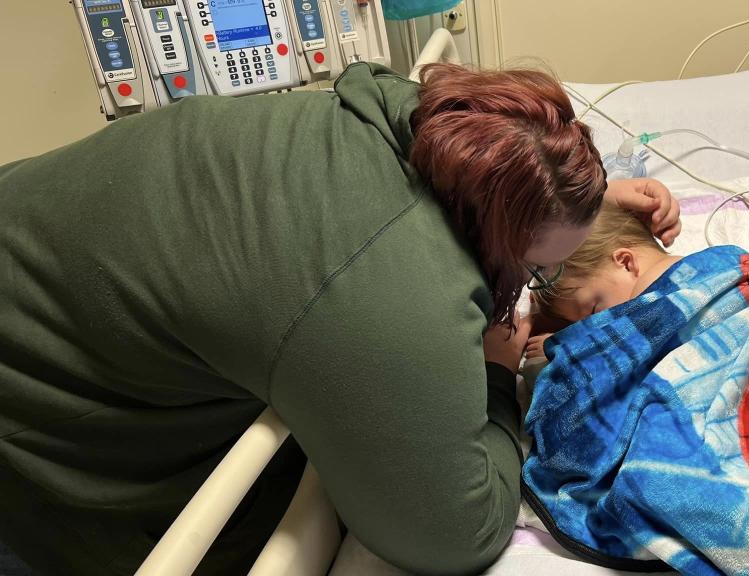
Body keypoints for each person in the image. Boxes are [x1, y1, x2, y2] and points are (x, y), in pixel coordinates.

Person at [0, 62, 680, 575]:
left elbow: (495, 150)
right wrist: (499, 376)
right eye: (537, 273)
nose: (537, 289)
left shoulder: (395, 113)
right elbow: (453, 536)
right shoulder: (394, 291)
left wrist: (575, 196)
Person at [527, 203, 683, 361]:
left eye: (594, 311)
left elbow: (619, 352)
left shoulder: (654, 300)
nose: (594, 328)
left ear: (625, 263)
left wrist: (565, 349)